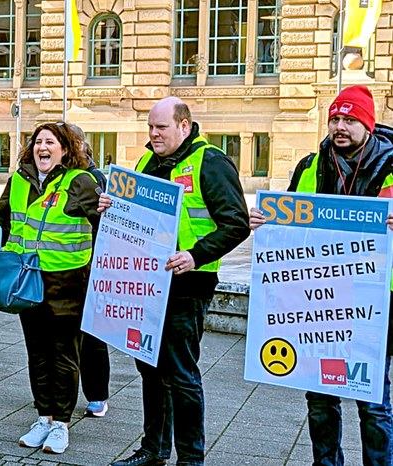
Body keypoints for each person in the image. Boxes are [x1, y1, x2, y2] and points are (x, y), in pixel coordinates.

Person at [250, 85, 393, 466]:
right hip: (319, 296)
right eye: (335, 119)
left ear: (368, 124)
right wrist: (267, 224)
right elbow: (293, 225)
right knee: (319, 394)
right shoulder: (310, 166)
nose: (340, 126)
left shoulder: (392, 165)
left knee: (373, 400)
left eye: (349, 120)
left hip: (374, 301)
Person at [104, 97, 250, 466]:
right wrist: (111, 205)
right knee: (149, 367)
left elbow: (236, 223)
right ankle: (153, 450)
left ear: (184, 126)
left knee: (181, 373)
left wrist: (195, 255)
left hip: (188, 283)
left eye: (161, 127)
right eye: (150, 127)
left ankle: (190, 458)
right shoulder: (145, 163)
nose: (153, 134)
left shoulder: (210, 162)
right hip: (147, 281)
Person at [0, 121, 101, 454]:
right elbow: (0, 215)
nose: (43, 147)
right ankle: (43, 417)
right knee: (37, 353)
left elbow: (104, 224)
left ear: (65, 149)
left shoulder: (80, 181)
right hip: (27, 281)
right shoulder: (19, 181)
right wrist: (2, 251)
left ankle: (61, 424)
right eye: (38, 141)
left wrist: (97, 268)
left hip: (67, 283)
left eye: (50, 142)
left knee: (64, 356)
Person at [69, 123, 111, 418]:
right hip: (57, 268)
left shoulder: (92, 178)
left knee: (91, 335)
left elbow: (105, 224)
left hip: (89, 266)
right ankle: (60, 394)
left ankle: (97, 393)